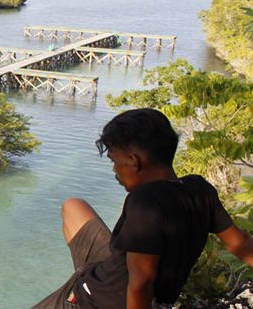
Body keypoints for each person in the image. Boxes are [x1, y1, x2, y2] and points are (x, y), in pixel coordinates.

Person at [33, 108, 253, 309]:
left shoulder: (144, 202)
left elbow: (141, 283)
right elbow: (240, 244)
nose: (114, 170)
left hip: (93, 300)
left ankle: (87, 285)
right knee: (73, 206)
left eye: (114, 161)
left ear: (134, 160)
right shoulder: (200, 189)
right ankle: (99, 274)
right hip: (109, 271)